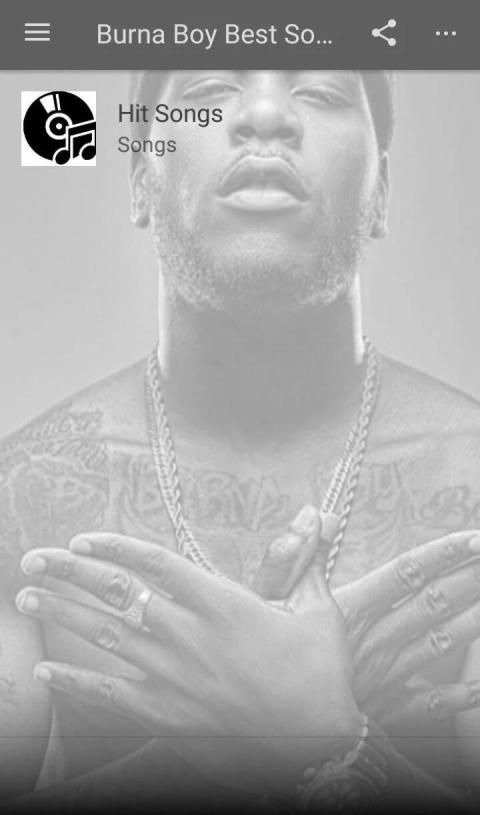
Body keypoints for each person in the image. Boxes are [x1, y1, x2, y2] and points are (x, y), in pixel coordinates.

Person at [2, 70, 480, 812]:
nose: (263, 112)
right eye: (208, 90)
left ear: (381, 193)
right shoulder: (22, 495)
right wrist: (259, 734)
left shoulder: (470, 485)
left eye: (321, 91)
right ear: (141, 183)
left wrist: (324, 738)